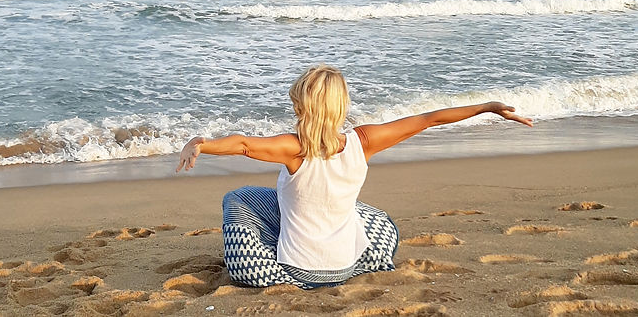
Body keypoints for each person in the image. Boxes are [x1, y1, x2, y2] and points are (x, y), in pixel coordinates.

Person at [176, 64, 532, 289]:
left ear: (304, 107)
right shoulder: (364, 141)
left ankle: (266, 271)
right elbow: (428, 119)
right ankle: (362, 259)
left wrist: (202, 144)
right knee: (368, 214)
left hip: (298, 272)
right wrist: (486, 107)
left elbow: (240, 145)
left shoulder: (294, 148)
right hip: (346, 267)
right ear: (339, 106)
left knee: (238, 198)